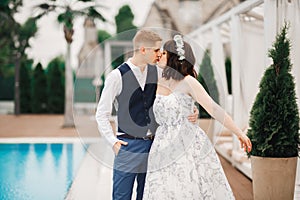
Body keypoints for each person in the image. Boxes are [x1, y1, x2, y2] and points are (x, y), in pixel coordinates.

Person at [143, 35, 252, 200]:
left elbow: (215, 109)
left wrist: (239, 133)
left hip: (187, 144)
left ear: (173, 57)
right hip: (162, 144)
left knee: (187, 188)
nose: (160, 55)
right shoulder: (159, 80)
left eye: (164, 53)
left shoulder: (189, 82)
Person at [95, 30, 198, 200]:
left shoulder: (158, 72)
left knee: (148, 195)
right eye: (156, 50)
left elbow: (180, 91)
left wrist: (192, 109)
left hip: (155, 146)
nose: (160, 55)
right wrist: (113, 142)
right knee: (121, 196)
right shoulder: (116, 76)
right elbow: (101, 114)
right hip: (127, 146)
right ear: (143, 50)